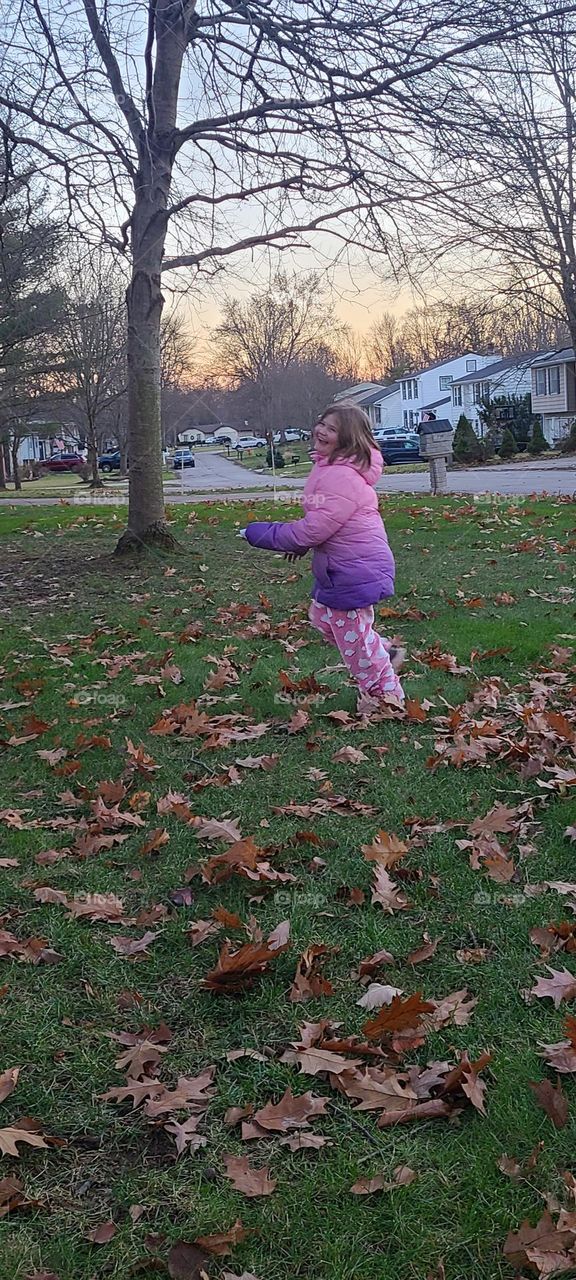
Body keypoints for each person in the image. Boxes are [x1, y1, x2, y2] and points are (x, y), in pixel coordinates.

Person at [238, 402, 405, 714]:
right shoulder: (328, 467)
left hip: (354, 568)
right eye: (322, 423)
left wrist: (259, 533)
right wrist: (301, 544)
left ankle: (387, 696)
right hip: (339, 565)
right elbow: (324, 522)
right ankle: (383, 651)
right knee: (322, 619)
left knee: (354, 643)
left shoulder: (340, 476)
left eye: (332, 429)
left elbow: (313, 530)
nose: (322, 431)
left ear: (347, 440)